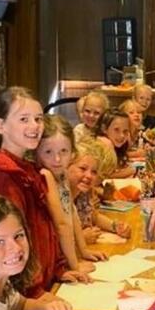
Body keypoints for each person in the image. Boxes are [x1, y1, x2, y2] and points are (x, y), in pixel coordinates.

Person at [0, 87, 85, 296]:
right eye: (24, 119)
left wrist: (59, 269)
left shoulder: (29, 169)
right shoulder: (4, 174)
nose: (34, 126)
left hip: (44, 279)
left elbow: (45, 227)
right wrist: (33, 292)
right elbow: (10, 244)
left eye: (38, 119)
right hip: (23, 292)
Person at [35, 115, 106, 269]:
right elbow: (62, 224)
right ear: (36, 151)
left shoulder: (61, 175)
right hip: (47, 257)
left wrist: (84, 250)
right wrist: (75, 265)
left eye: (63, 151)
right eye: (48, 152)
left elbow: (71, 213)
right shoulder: (46, 175)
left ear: (72, 152)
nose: (57, 159)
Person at [67, 138, 131, 244]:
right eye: (82, 169)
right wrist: (80, 239)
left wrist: (115, 226)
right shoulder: (57, 196)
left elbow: (93, 216)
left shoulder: (84, 191)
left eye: (94, 172)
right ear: (67, 166)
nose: (89, 175)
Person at [96, 108, 135, 179]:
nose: (122, 135)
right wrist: (131, 171)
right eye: (116, 130)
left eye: (125, 131)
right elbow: (105, 175)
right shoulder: (105, 143)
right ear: (104, 128)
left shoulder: (114, 144)